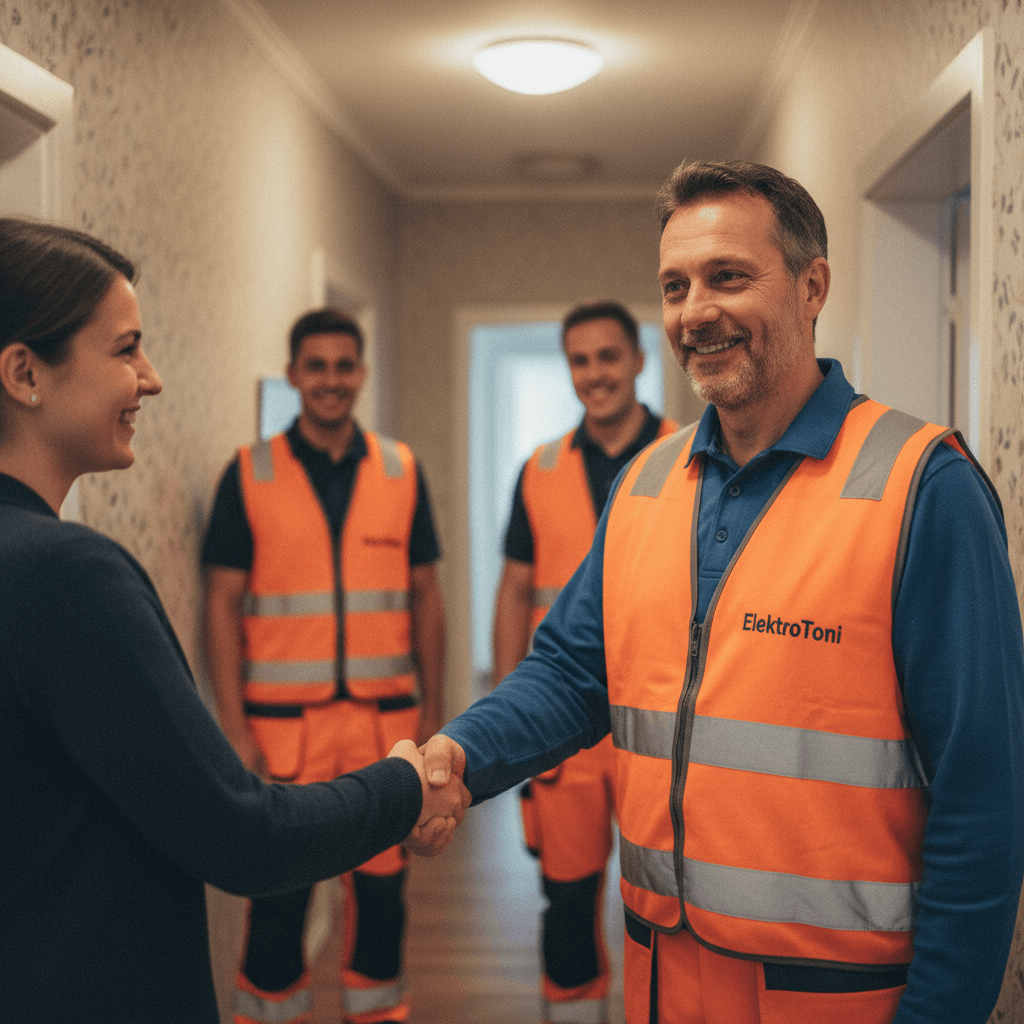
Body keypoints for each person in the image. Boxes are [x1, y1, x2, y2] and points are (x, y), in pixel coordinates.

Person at [423, 161, 1024, 1024]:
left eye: (728, 277)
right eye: (675, 285)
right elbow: (568, 673)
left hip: (837, 1000)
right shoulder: (645, 486)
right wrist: (459, 758)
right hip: (664, 980)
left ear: (813, 285)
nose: (695, 311)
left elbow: (983, 799)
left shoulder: (923, 489)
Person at [0, 217, 468, 1024]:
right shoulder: (64, 574)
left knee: (380, 922)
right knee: (279, 929)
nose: (150, 378)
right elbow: (243, 841)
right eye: (125, 348)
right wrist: (402, 786)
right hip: (94, 975)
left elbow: (426, 591)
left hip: (379, 711)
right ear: (24, 372)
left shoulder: (400, 470)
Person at [202, 307, 447, 1024]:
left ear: (361, 374)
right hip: (283, 734)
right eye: (317, 367)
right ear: (294, 375)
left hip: (386, 728)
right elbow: (221, 602)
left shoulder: (401, 470)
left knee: (380, 906)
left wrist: (433, 709)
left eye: (345, 366)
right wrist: (232, 724)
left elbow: (426, 596)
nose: (332, 381)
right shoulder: (249, 474)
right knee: (277, 906)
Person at [493, 300, 678, 1023]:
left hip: (661, 730)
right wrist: (510, 715)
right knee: (567, 901)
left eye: (608, 356)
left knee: (663, 906)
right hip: (563, 729)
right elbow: (514, 591)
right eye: (580, 360)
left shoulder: (692, 453)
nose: (594, 374)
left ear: (637, 361)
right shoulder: (537, 471)